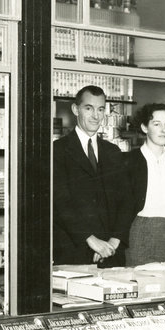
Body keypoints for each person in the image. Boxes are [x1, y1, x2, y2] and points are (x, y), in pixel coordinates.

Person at [52, 85, 132, 266]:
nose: (96, 116)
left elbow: (127, 201)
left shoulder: (113, 152)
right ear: (75, 109)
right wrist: (91, 240)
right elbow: (60, 203)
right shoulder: (58, 151)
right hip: (74, 252)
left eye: (101, 109)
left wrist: (113, 242)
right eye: (89, 108)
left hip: (111, 254)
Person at [125, 102, 165, 265]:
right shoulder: (130, 161)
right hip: (141, 231)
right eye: (157, 124)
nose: (163, 130)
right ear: (145, 127)